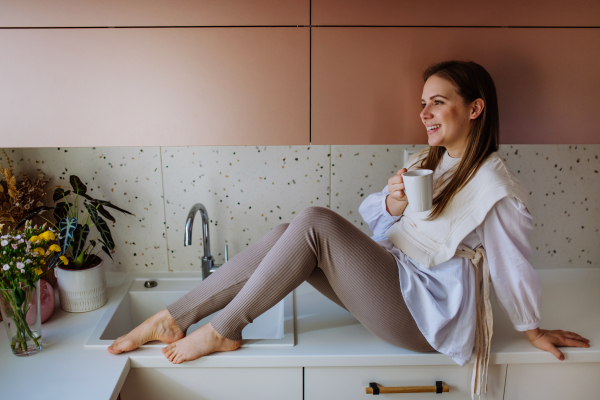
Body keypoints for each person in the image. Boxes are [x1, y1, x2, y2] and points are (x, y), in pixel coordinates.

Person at [107, 60, 590, 397]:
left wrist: (531, 329)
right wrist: (393, 201)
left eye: (437, 102)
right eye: (423, 102)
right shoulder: (432, 160)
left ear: (475, 109)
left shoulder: (495, 186)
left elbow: (511, 263)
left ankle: (224, 328)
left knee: (313, 222)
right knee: (285, 232)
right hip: (400, 282)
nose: (424, 113)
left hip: (426, 317)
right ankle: (176, 316)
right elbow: (379, 221)